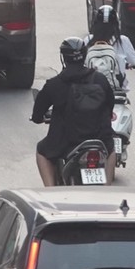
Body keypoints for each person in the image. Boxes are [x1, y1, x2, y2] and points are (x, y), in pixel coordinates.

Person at [31, 38, 117, 186]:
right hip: (99, 138)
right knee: (111, 150)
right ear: (84, 55)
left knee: (41, 151)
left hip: (66, 142)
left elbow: (38, 112)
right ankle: (107, 189)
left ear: (63, 58)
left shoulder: (55, 84)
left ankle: (50, 192)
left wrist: (38, 118)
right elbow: (110, 104)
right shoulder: (100, 79)